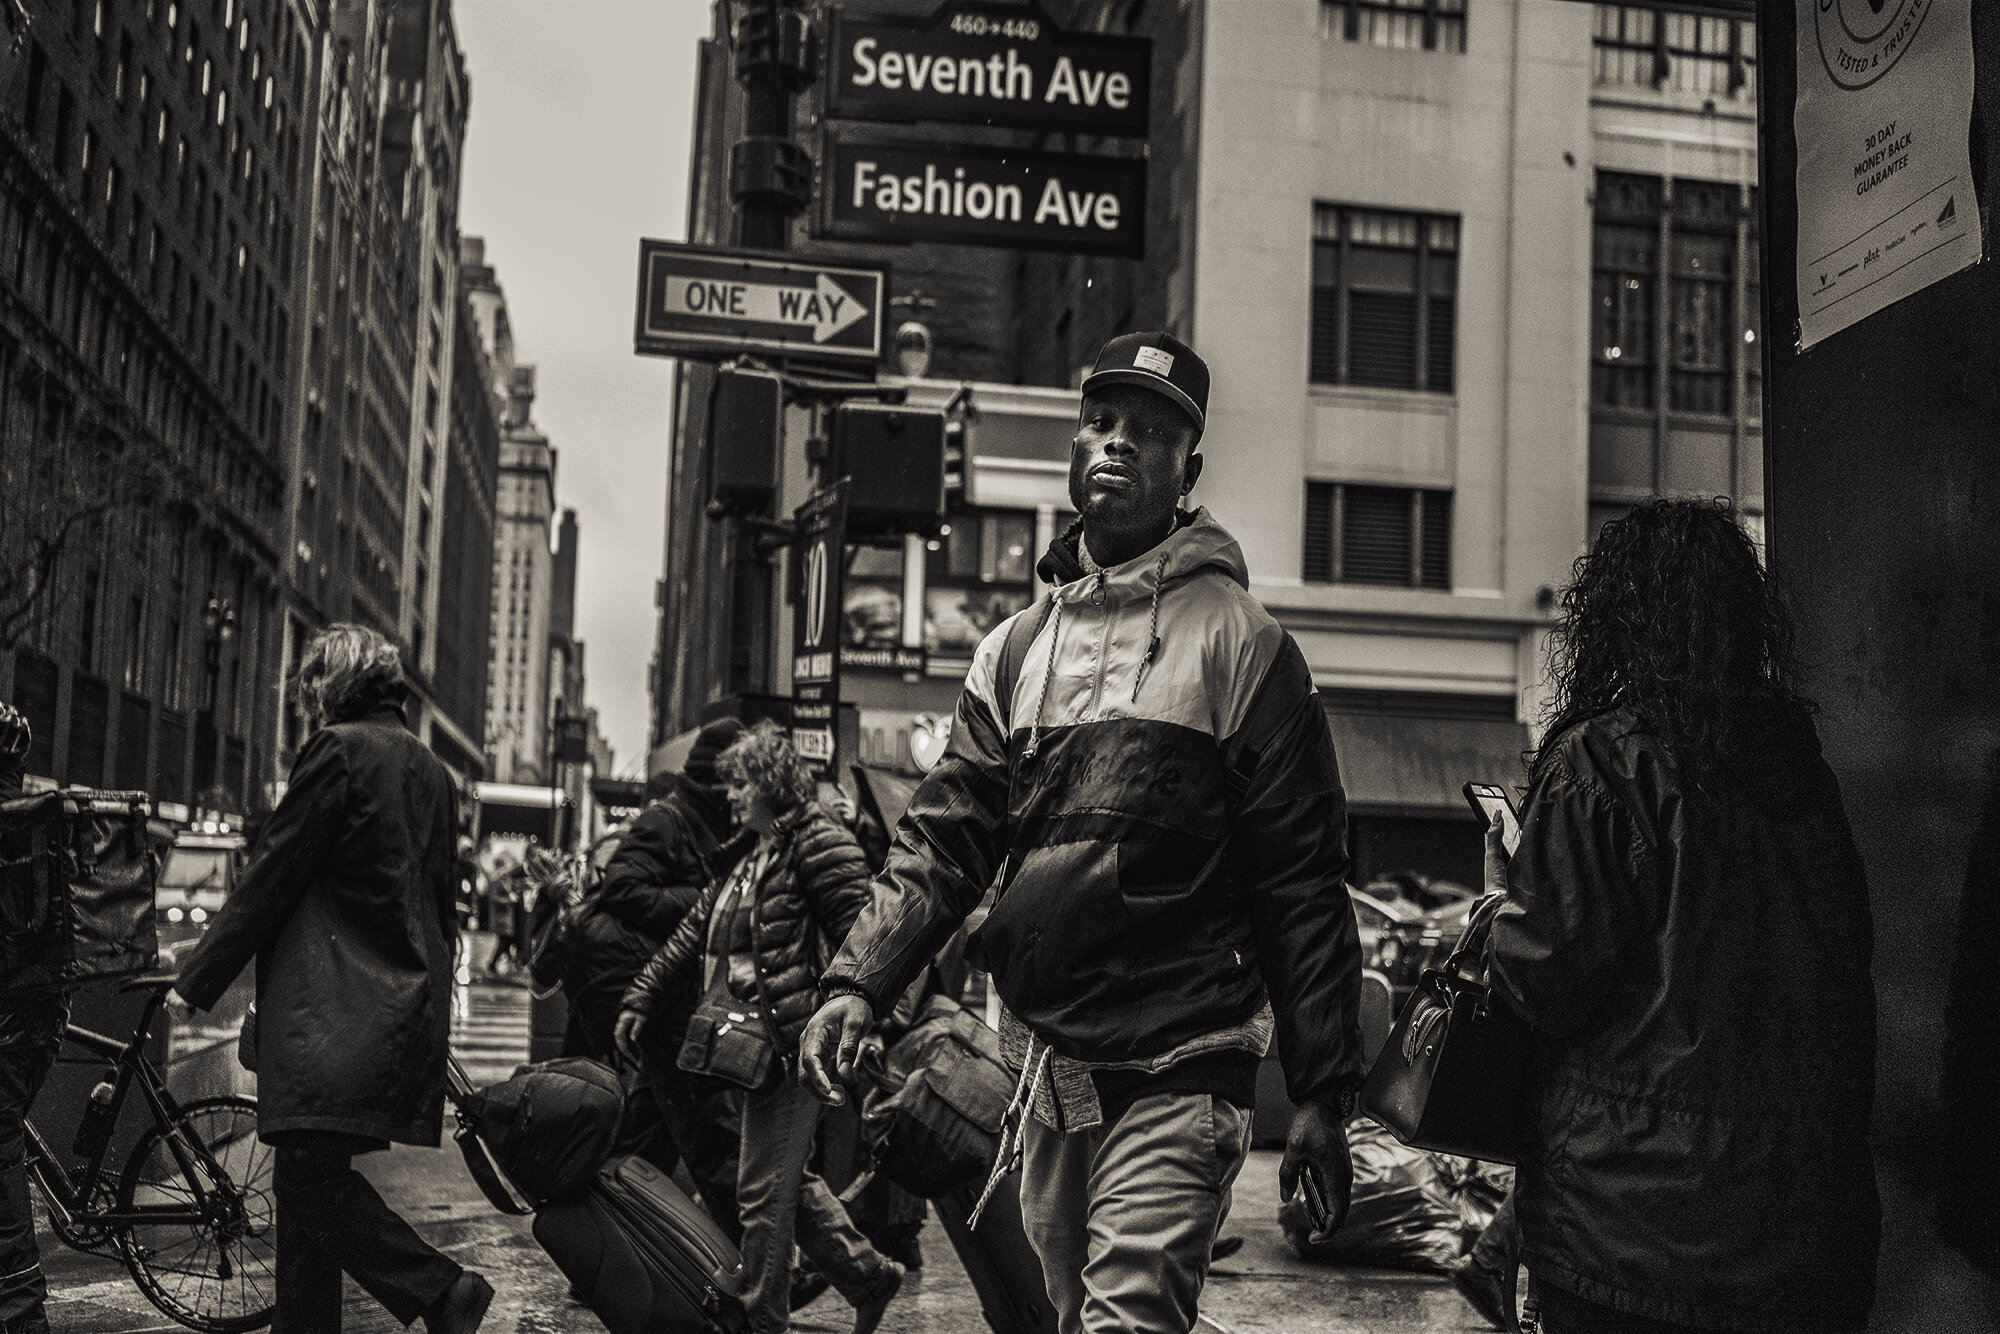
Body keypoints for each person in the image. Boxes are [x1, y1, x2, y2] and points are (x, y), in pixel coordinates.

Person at [800, 330, 1366, 1334]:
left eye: (1146, 430)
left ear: (1186, 468)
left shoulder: (1243, 644)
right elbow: (941, 842)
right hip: (1049, 1073)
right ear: (1072, 446)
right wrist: (855, 977)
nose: (1115, 443)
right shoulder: (1011, 650)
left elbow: (1302, 880)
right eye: (1100, 421)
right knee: (1070, 1315)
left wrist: (1321, 1092)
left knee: (1125, 1318)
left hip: (1184, 1060)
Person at [1484, 498, 1880, 1334]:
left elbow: (1540, 981)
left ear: (1617, 617)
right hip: (1803, 1239)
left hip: (1629, 1232)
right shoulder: (1806, 775)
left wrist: (1507, 894)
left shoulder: (1606, 759)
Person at [174, 625, 492, 1334]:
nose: (309, 699)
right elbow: (442, 905)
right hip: (397, 1012)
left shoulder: (339, 752)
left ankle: (442, 1290)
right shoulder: (433, 772)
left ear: (333, 684)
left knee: (309, 1185)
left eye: (313, 684)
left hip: (335, 1014)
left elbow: (272, 875)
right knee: (304, 1185)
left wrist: (197, 977)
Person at [615, 721, 904, 1334]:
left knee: (761, 1194)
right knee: (784, 1184)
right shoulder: (754, 854)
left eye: (741, 783)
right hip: (763, 1047)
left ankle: (760, 1317)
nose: (731, 796)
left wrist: (867, 1021)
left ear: (771, 782)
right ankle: (870, 1277)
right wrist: (642, 994)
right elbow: (694, 930)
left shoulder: (818, 842)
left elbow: (867, 934)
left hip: (801, 1043)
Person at [0, 701, 64, 1334]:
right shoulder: (30, 821)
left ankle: (22, 1312)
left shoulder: (8, 829)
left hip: (15, 1020)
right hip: (41, 1013)